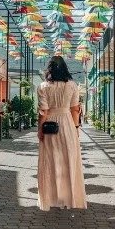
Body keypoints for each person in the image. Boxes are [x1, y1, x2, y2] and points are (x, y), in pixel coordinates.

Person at [37, 55, 86, 211]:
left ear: (49, 69)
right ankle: (68, 198)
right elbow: (75, 109)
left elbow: (43, 112)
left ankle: (51, 198)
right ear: (65, 68)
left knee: (50, 162)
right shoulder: (72, 85)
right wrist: (76, 128)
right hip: (67, 125)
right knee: (68, 161)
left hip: (50, 126)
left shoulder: (43, 86)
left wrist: (40, 129)